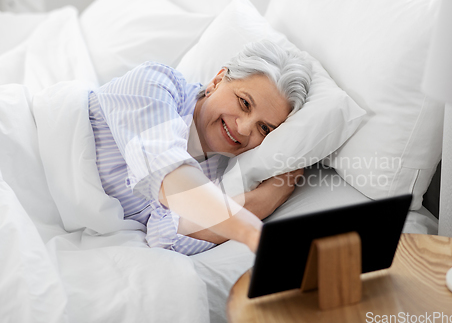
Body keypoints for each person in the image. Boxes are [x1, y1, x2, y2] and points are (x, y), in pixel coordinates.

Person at [88, 40, 312, 255]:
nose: (244, 129)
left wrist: (267, 199)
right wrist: (255, 224)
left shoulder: (221, 174)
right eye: (244, 103)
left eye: (263, 128)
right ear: (217, 81)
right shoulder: (155, 83)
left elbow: (165, 237)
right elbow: (167, 174)